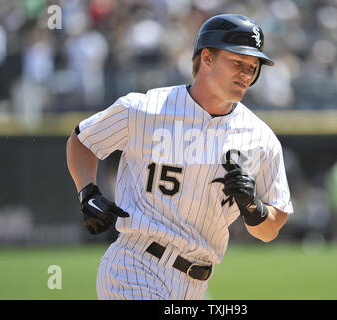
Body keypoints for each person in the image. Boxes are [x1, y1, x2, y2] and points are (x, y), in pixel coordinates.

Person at [66, 14, 293, 300]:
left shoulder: (261, 139)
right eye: (237, 62)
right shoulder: (145, 109)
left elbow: (270, 229)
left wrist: (253, 207)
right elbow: (82, 140)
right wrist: (87, 192)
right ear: (207, 58)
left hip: (196, 285)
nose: (247, 73)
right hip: (134, 267)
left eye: (253, 66)